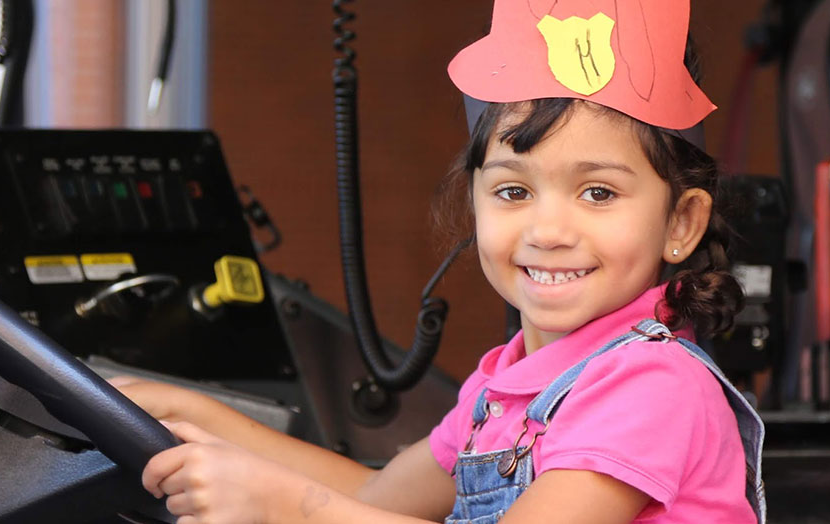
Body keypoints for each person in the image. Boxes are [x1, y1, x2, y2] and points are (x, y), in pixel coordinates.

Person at [116, 1, 765, 522]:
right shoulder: (501, 390)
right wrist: (189, 411)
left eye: (598, 192)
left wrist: (286, 508)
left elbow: (332, 511)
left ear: (680, 223)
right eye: (514, 190)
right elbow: (374, 500)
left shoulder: (651, 387)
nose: (547, 229)